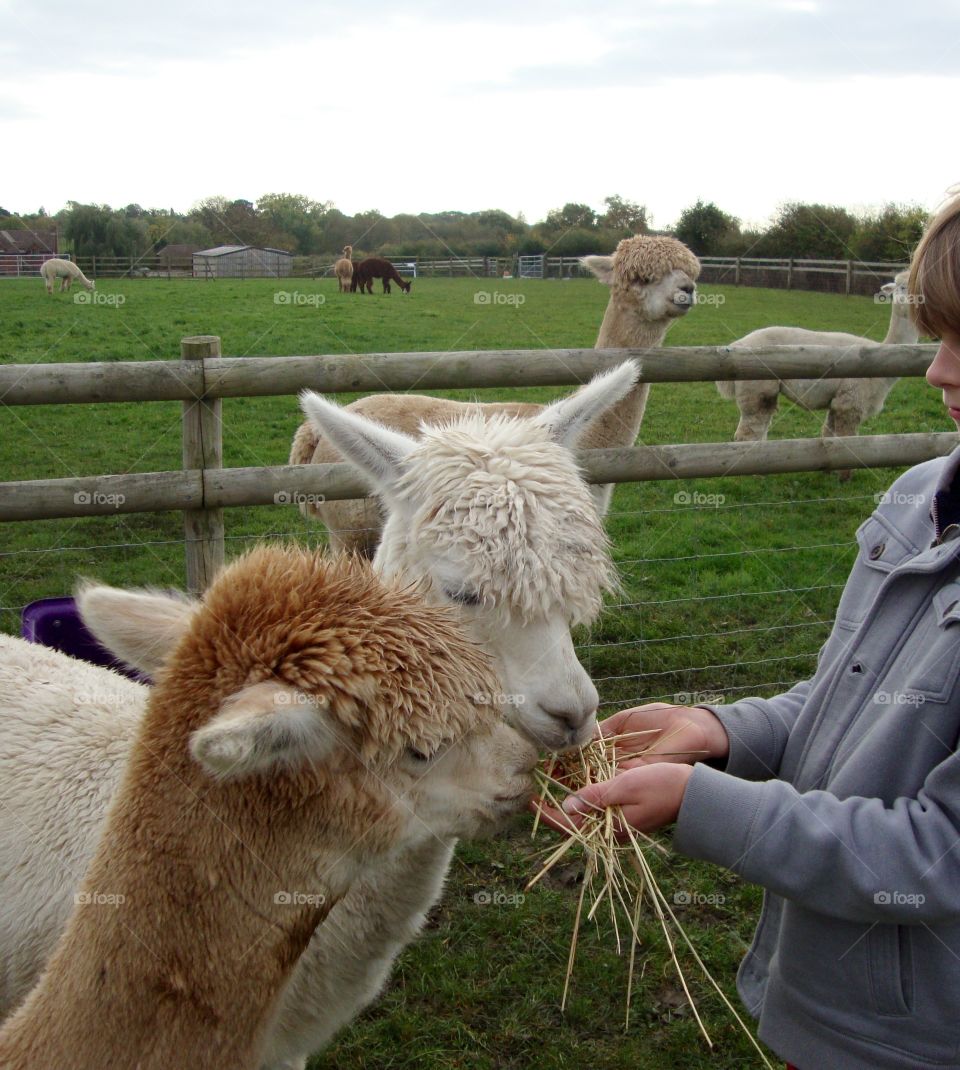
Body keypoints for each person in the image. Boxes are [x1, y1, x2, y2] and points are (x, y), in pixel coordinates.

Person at [539, 191, 960, 1070]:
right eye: (941, 336)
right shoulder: (918, 501)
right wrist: (723, 732)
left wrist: (705, 807)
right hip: (824, 1000)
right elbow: (855, 697)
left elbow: (939, 853)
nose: (937, 373)